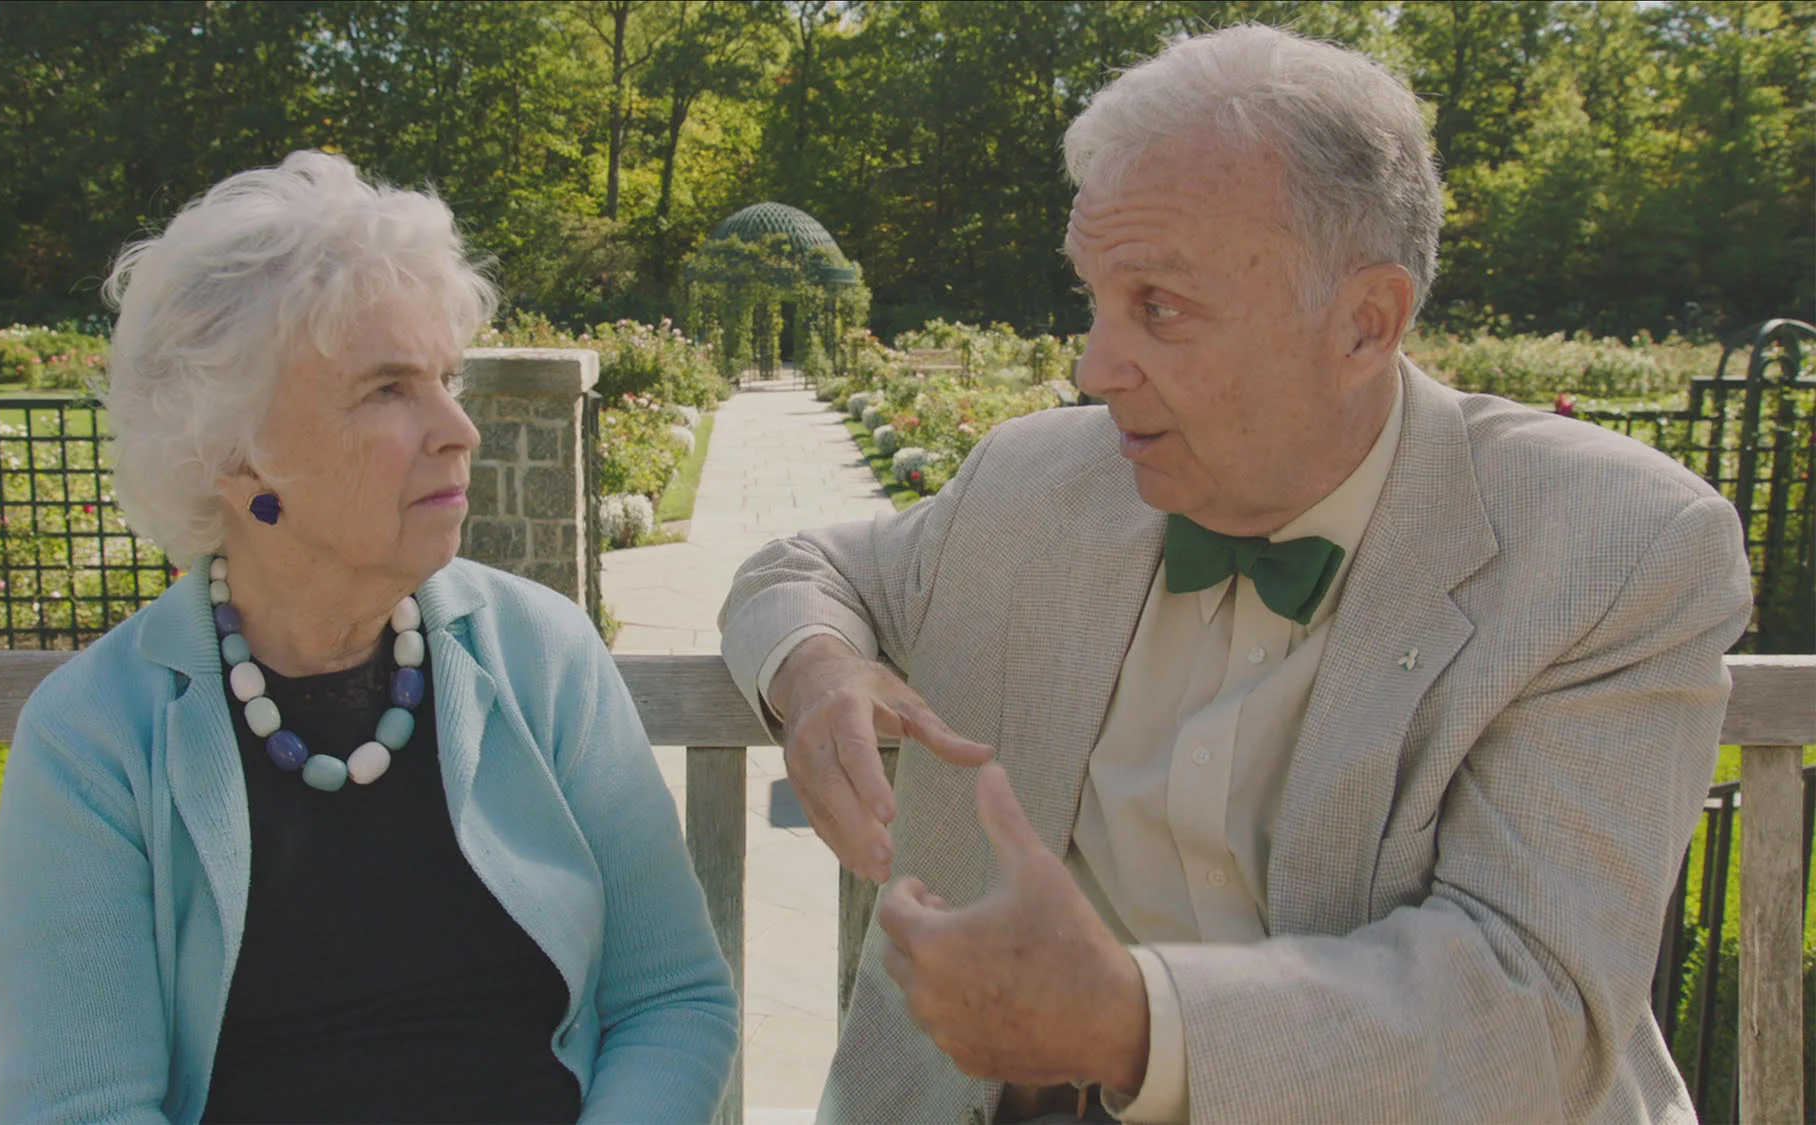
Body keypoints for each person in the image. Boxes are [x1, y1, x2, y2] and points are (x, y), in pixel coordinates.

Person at [719, 25, 1750, 1125]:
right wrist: (819, 670)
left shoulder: (1607, 548)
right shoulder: (1037, 480)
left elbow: (1526, 1003)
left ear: (1364, 323)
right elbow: (802, 567)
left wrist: (1133, 1021)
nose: (1091, 367)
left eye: (1157, 306)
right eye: (1095, 299)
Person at [0, 151, 739, 1123]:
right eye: (388, 389)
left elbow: (669, 999)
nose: (458, 427)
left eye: (445, 377)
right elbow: (81, 1106)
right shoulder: (96, 738)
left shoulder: (540, 656)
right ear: (231, 450)